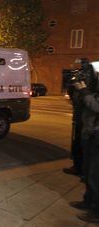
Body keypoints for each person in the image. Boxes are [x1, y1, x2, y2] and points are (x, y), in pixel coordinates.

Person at [70, 63, 99, 223]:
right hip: (91, 134)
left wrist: (84, 91)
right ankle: (88, 201)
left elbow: (96, 106)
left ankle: (96, 211)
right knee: (88, 173)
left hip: (97, 135)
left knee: (96, 176)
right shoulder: (93, 87)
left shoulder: (90, 90)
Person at [63, 58, 96, 177]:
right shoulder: (88, 75)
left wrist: (79, 89)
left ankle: (79, 168)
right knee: (80, 142)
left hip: (83, 116)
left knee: (79, 142)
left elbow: (77, 91)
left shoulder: (85, 76)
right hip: (81, 114)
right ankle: (80, 167)